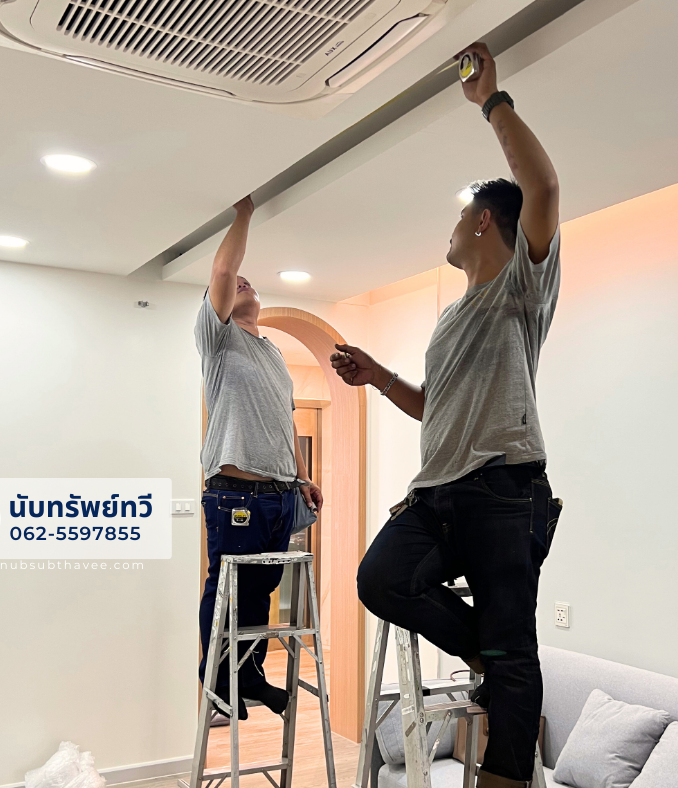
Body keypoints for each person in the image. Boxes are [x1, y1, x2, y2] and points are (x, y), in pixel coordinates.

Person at [331, 43, 561, 788]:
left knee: (512, 650)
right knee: (380, 579)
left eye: (463, 217)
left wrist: (490, 100)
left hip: (503, 489)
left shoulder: (519, 288)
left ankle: (504, 767)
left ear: (487, 222)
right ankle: (483, 653)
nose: (453, 229)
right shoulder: (455, 316)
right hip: (440, 494)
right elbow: (435, 407)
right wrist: (378, 377)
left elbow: (543, 185)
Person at [196, 195, 323, 721]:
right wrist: (244, 212)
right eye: (237, 285)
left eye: (251, 283)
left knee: (259, 594)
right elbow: (224, 271)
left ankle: (248, 676)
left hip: (279, 496)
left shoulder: (272, 352)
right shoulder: (218, 339)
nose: (243, 283)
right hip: (236, 495)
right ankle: (215, 680)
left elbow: (285, 420)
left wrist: (303, 478)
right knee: (229, 586)